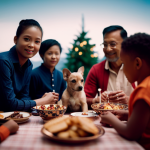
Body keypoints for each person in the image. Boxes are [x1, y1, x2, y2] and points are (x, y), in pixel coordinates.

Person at [100, 33, 150, 150]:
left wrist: (109, 118)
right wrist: (127, 115)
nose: (123, 68)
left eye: (124, 63)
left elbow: (131, 133)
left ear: (137, 63)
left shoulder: (143, 90)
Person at [0, 19, 59, 112]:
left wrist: (41, 101)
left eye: (37, 41)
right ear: (16, 39)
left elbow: (24, 96)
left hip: (12, 117)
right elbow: (10, 104)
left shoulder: (28, 65)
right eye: (26, 39)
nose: (32, 45)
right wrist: (42, 101)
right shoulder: (3, 61)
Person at [84, 25, 135, 107]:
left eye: (112, 44)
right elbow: (83, 99)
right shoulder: (96, 70)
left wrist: (130, 99)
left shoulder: (138, 67)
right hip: (105, 119)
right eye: (105, 45)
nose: (107, 49)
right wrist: (97, 100)